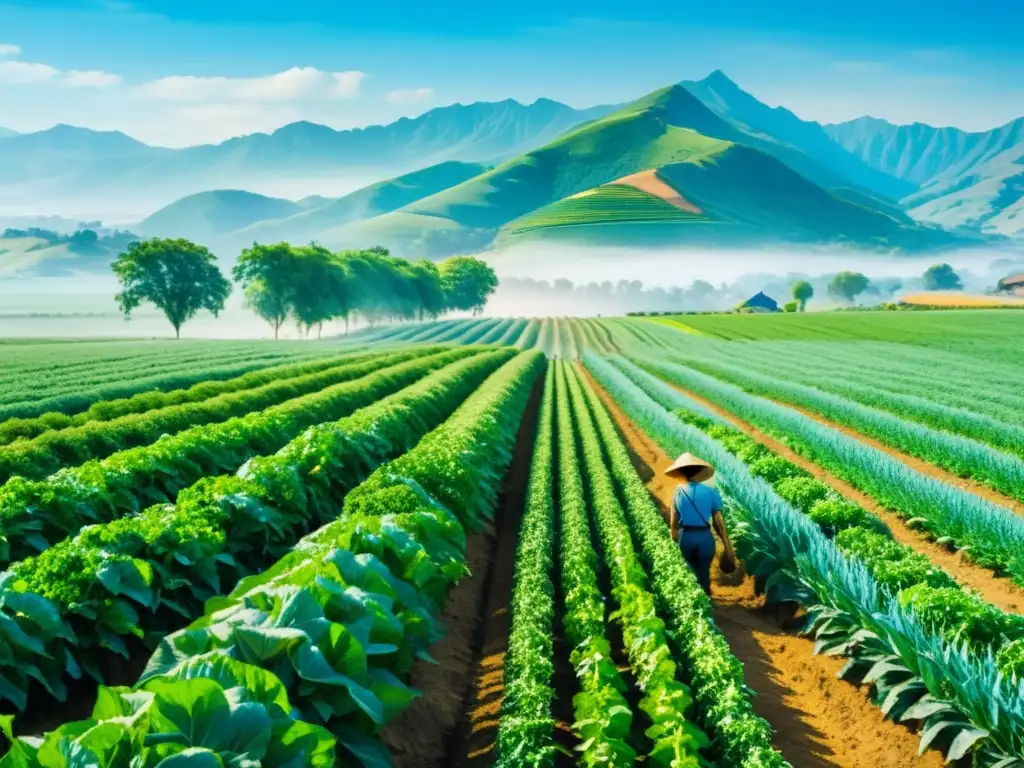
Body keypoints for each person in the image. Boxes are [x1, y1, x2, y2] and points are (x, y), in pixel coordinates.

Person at [665, 452, 736, 595]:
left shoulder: (678, 493)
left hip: (687, 537)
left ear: (680, 472)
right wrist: (726, 543)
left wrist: (675, 536)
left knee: (690, 569)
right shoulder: (710, 492)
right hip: (705, 537)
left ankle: (694, 599)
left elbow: (673, 522)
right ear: (698, 472)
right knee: (704, 571)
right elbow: (718, 520)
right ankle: (706, 595)